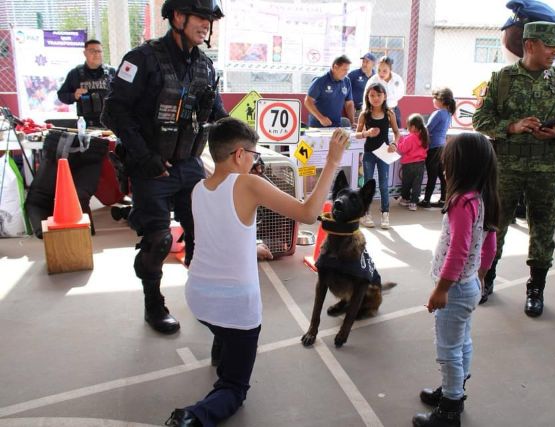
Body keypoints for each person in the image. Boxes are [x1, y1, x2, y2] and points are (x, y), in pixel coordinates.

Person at [164, 118, 349, 427]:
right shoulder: (247, 183)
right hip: (235, 306)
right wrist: (332, 161)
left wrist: (251, 248)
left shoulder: (199, 188)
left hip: (198, 298)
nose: (255, 161)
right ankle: (192, 417)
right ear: (239, 154)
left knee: (222, 329)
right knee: (234, 389)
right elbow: (307, 213)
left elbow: (219, 234)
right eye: (254, 154)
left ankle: (222, 349)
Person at [101, 0, 227, 335]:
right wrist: (144, 156)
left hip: (190, 166)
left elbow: (218, 114)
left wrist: (244, 142)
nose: (206, 24)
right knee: (157, 241)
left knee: (203, 235)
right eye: (201, 16)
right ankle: (153, 304)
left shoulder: (204, 66)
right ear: (177, 16)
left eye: (209, 19)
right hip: (151, 170)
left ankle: (202, 296)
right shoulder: (141, 59)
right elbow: (113, 111)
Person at [472, 21, 555, 316]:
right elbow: (479, 119)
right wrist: (512, 126)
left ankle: (536, 289)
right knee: (495, 225)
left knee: (544, 229)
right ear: (530, 45)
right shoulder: (502, 79)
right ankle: (487, 278)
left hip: (546, 169)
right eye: (550, 45)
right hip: (505, 168)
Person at [412, 132, 498, 427]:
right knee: (462, 342)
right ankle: (455, 390)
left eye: (448, 164)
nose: (444, 170)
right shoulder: (482, 197)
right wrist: (482, 277)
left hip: (455, 290)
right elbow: (490, 245)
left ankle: (449, 409)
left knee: (448, 348)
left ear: (461, 168)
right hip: (470, 284)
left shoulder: (462, 202)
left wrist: (441, 289)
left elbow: (459, 251)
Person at [355, 83, 400, 229]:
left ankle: (385, 214)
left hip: (384, 154)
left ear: (384, 96)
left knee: (383, 185)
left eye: (378, 95)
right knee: (367, 184)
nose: (375, 98)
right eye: (372, 95)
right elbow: (356, 134)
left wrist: (394, 144)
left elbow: (397, 132)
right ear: (367, 96)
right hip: (369, 154)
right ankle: (365, 214)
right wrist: (366, 133)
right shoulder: (364, 114)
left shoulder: (389, 113)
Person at [57, 40, 116, 127]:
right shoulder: (75, 73)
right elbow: (61, 95)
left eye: (99, 51)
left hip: (110, 122)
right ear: (85, 53)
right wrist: (74, 96)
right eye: (92, 51)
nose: (96, 54)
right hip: (86, 123)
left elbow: (125, 94)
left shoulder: (112, 72)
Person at [418, 88, 456, 209]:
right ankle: (443, 199)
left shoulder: (439, 113)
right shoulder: (448, 113)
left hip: (433, 147)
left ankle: (427, 200)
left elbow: (427, 129)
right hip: (441, 146)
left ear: (441, 100)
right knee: (441, 174)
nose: (433, 100)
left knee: (432, 175)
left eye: (435, 98)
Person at [304, 55, 356, 127]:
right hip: (318, 125)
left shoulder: (346, 81)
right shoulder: (320, 80)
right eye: (344, 70)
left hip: (336, 125)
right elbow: (308, 101)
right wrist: (321, 118)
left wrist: (352, 122)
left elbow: (349, 103)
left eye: (347, 70)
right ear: (335, 67)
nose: (346, 73)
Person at [395, 113, 429, 211]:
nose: (407, 128)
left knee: (406, 183)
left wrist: (400, 140)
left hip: (409, 164)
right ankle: (414, 203)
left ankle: (405, 199)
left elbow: (402, 149)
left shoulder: (410, 138)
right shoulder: (424, 136)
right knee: (416, 185)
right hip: (421, 164)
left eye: (408, 126)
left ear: (413, 127)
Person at [363, 56, 405, 126]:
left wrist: (386, 99)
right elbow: (366, 97)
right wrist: (366, 113)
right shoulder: (373, 80)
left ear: (390, 69)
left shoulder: (397, 79)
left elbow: (400, 93)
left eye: (384, 71)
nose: (381, 73)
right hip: (377, 112)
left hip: (393, 110)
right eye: (379, 70)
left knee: (396, 132)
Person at [348, 52, 376, 116]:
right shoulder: (353, 75)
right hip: (356, 111)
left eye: (367, 62)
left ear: (373, 64)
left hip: (372, 110)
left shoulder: (376, 77)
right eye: (363, 61)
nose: (364, 64)